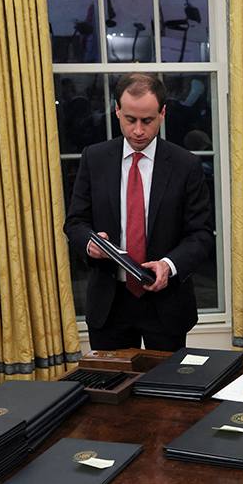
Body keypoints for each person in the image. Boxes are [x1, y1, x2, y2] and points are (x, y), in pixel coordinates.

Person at [64, 72, 214, 351]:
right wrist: (90, 243)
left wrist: (167, 266)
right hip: (109, 303)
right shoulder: (94, 159)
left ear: (163, 113)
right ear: (117, 111)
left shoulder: (185, 165)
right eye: (130, 119)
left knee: (165, 392)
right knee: (110, 388)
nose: (138, 131)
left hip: (165, 303)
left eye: (147, 120)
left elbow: (201, 235)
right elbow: (75, 222)